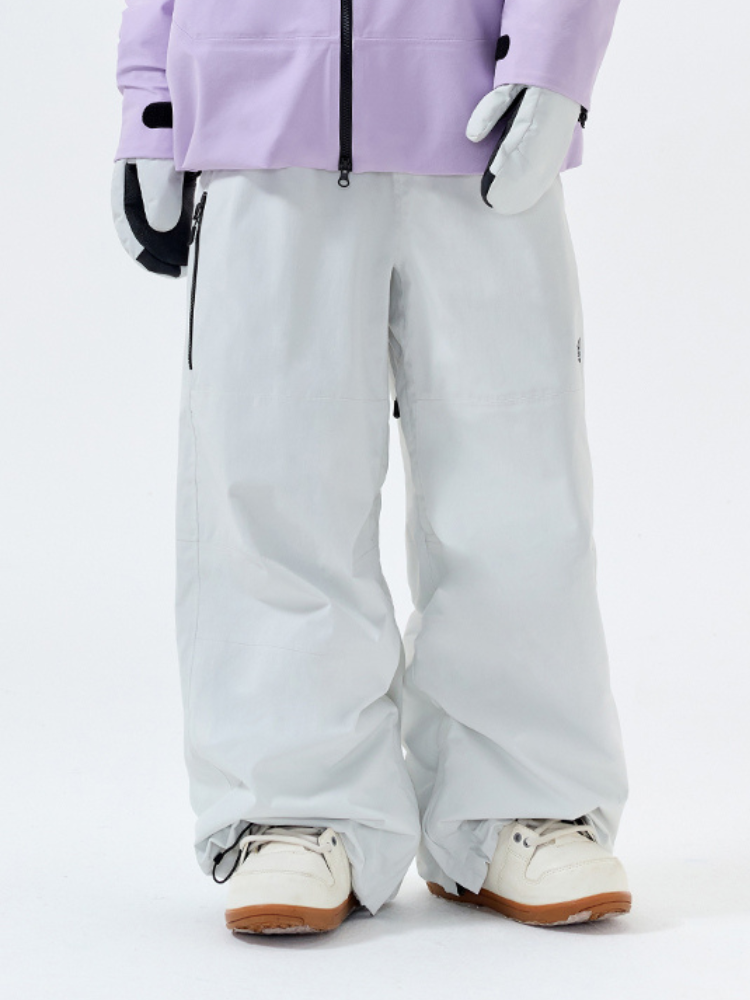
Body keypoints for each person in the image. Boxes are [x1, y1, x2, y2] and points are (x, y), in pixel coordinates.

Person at [112, 0, 630, 935]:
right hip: (258, 111)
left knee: (517, 483)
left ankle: (522, 798)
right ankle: (293, 808)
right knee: (269, 481)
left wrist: (556, 60)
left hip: (479, 112)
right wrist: (150, 99)